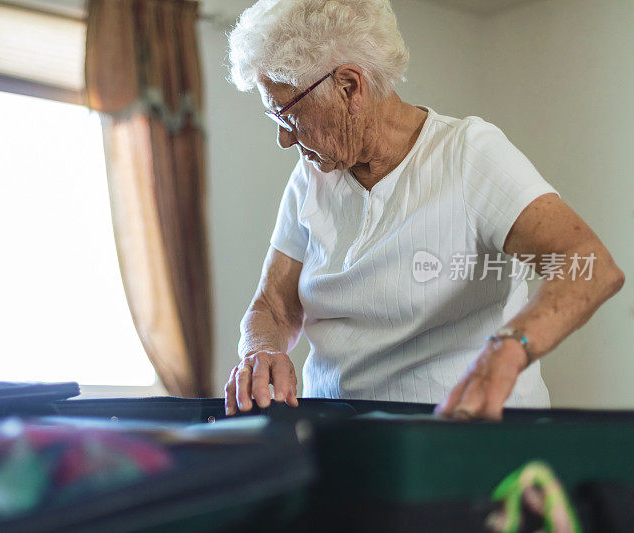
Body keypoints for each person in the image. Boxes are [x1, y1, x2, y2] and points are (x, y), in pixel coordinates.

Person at [223, 0, 625, 420]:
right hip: (343, 437)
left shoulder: (468, 153)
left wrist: (511, 347)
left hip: (465, 433)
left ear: (349, 86)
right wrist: (261, 349)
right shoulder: (312, 177)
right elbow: (272, 305)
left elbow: (589, 265)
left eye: (287, 115)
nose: (283, 140)